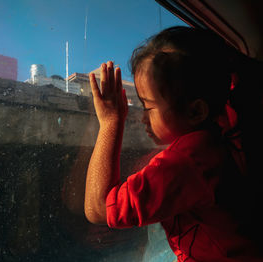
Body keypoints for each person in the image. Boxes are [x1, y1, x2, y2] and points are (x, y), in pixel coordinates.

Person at [84, 26, 263, 261]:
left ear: (196, 111)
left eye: (148, 107)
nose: (142, 117)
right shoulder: (221, 132)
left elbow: (98, 208)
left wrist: (110, 122)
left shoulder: (186, 162)